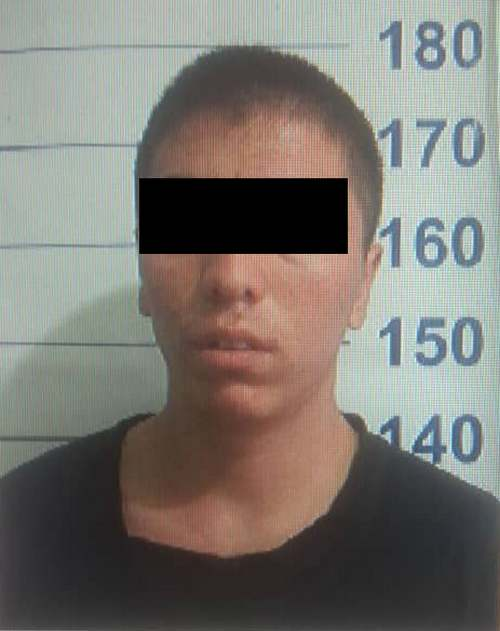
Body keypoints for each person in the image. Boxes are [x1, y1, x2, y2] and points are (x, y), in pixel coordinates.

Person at [0, 45, 498, 631]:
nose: (232, 276)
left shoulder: (474, 560)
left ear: (363, 283)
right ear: (144, 267)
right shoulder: (19, 534)